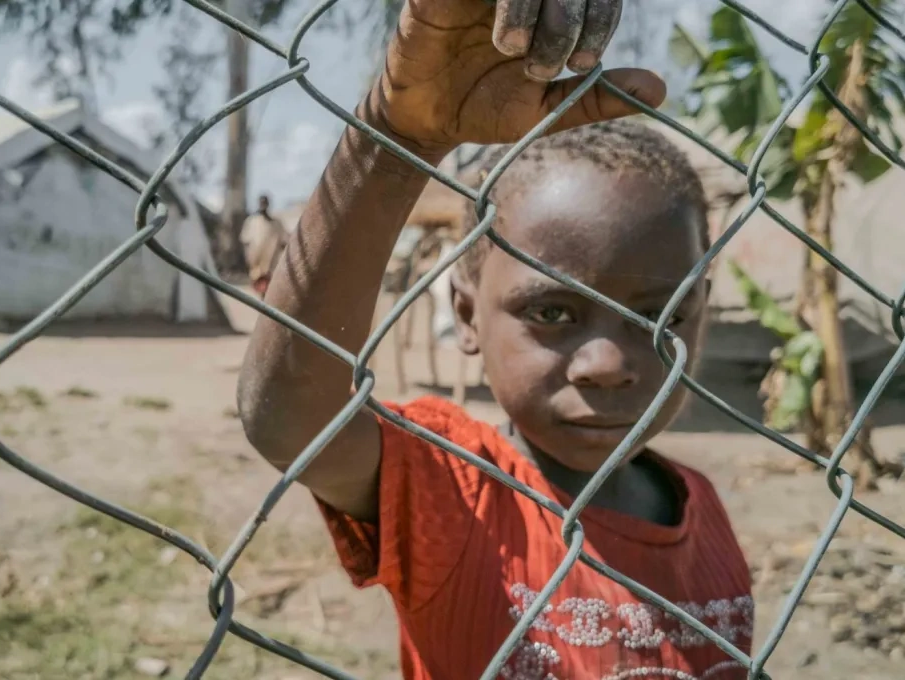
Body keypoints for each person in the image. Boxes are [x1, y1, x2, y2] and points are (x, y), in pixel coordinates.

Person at [236, 0, 751, 676]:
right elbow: (291, 420)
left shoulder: (701, 506)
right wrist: (396, 142)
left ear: (701, 308)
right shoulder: (456, 491)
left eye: (661, 318)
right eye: (555, 315)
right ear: (468, 313)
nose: (608, 364)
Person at [240, 194, 285, 298]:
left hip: (271, 263)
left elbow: (283, 241)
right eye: (262, 203)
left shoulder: (276, 223)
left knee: (268, 289)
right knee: (258, 286)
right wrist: (248, 259)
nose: (263, 205)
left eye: (265, 203)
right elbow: (245, 241)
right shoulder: (252, 221)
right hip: (256, 262)